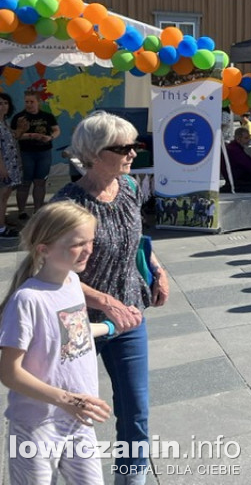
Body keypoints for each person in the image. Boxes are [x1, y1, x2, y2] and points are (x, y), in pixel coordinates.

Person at [53, 111, 170, 483]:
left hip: (129, 315)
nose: (133, 153)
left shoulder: (130, 187)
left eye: (135, 145)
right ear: (93, 153)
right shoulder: (68, 204)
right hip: (78, 322)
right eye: (123, 148)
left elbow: (135, 239)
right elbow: (52, 271)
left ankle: (130, 480)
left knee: (136, 412)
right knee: (73, 412)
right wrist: (104, 302)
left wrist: (157, 269)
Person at [1, 202, 114, 485]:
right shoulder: (28, 300)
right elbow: (9, 373)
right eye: (77, 244)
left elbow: (69, 333)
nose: (89, 250)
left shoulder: (72, 282)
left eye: (90, 241)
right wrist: (68, 400)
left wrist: (112, 327)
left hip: (78, 418)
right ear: (44, 249)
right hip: (36, 426)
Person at [12, 89, 60, 221]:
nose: (29, 104)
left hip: (44, 153)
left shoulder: (47, 116)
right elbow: (14, 135)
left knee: (40, 182)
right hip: (26, 153)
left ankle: (38, 210)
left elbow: (56, 130)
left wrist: (50, 137)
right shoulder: (19, 117)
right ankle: (21, 211)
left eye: (32, 102)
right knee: (24, 183)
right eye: (26, 102)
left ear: (38, 102)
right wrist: (31, 135)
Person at [0, 92, 23, 237]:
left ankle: (2, 221)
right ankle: (1, 228)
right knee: (2, 197)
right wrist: (2, 169)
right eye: (0, 104)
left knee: (5, 196)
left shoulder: (4, 122)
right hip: (4, 167)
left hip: (11, 165)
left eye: (5, 103)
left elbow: (13, 137)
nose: (3, 106)